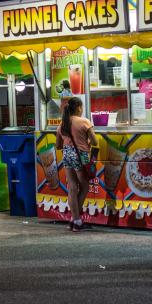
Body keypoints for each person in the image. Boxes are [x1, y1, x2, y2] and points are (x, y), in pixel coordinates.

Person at [55, 97, 97, 232]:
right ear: (79, 107)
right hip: (81, 155)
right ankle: (76, 220)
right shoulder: (84, 122)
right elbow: (95, 141)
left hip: (67, 155)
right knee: (84, 186)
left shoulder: (62, 124)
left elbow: (58, 145)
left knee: (72, 187)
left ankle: (74, 219)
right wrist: (86, 142)